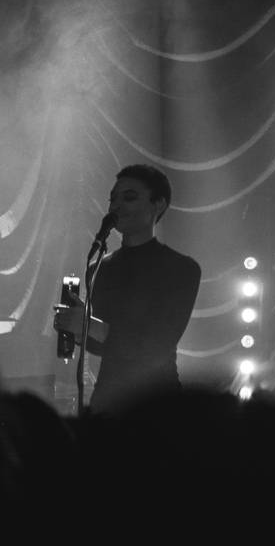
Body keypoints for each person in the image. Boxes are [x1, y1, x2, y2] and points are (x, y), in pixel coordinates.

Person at [53, 164, 201, 415]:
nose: (116, 206)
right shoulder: (100, 267)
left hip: (158, 405)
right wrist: (77, 330)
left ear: (158, 205)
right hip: (108, 401)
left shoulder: (181, 268)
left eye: (129, 197)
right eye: (113, 199)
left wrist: (90, 326)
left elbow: (157, 345)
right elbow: (104, 347)